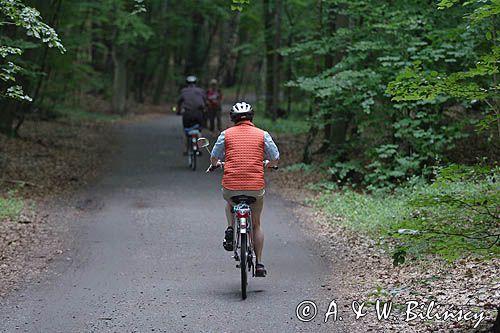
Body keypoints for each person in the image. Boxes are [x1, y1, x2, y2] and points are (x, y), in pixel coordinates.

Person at [210, 102, 279, 277]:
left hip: (231, 187)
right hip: (255, 188)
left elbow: (214, 157)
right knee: (256, 224)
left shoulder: (225, 135)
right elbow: (275, 157)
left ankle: (230, 227)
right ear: (251, 117)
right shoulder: (263, 135)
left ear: (233, 119)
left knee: (229, 202)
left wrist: (215, 164)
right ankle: (260, 264)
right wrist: (270, 165)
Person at [177, 75, 207, 154]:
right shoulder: (201, 91)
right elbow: (205, 101)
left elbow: (179, 102)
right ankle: (200, 149)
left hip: (187, 114)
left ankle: (186, 149)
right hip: (198, 113)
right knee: (199, 131)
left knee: (186, 131)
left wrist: (178, 111)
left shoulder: (184, 91)